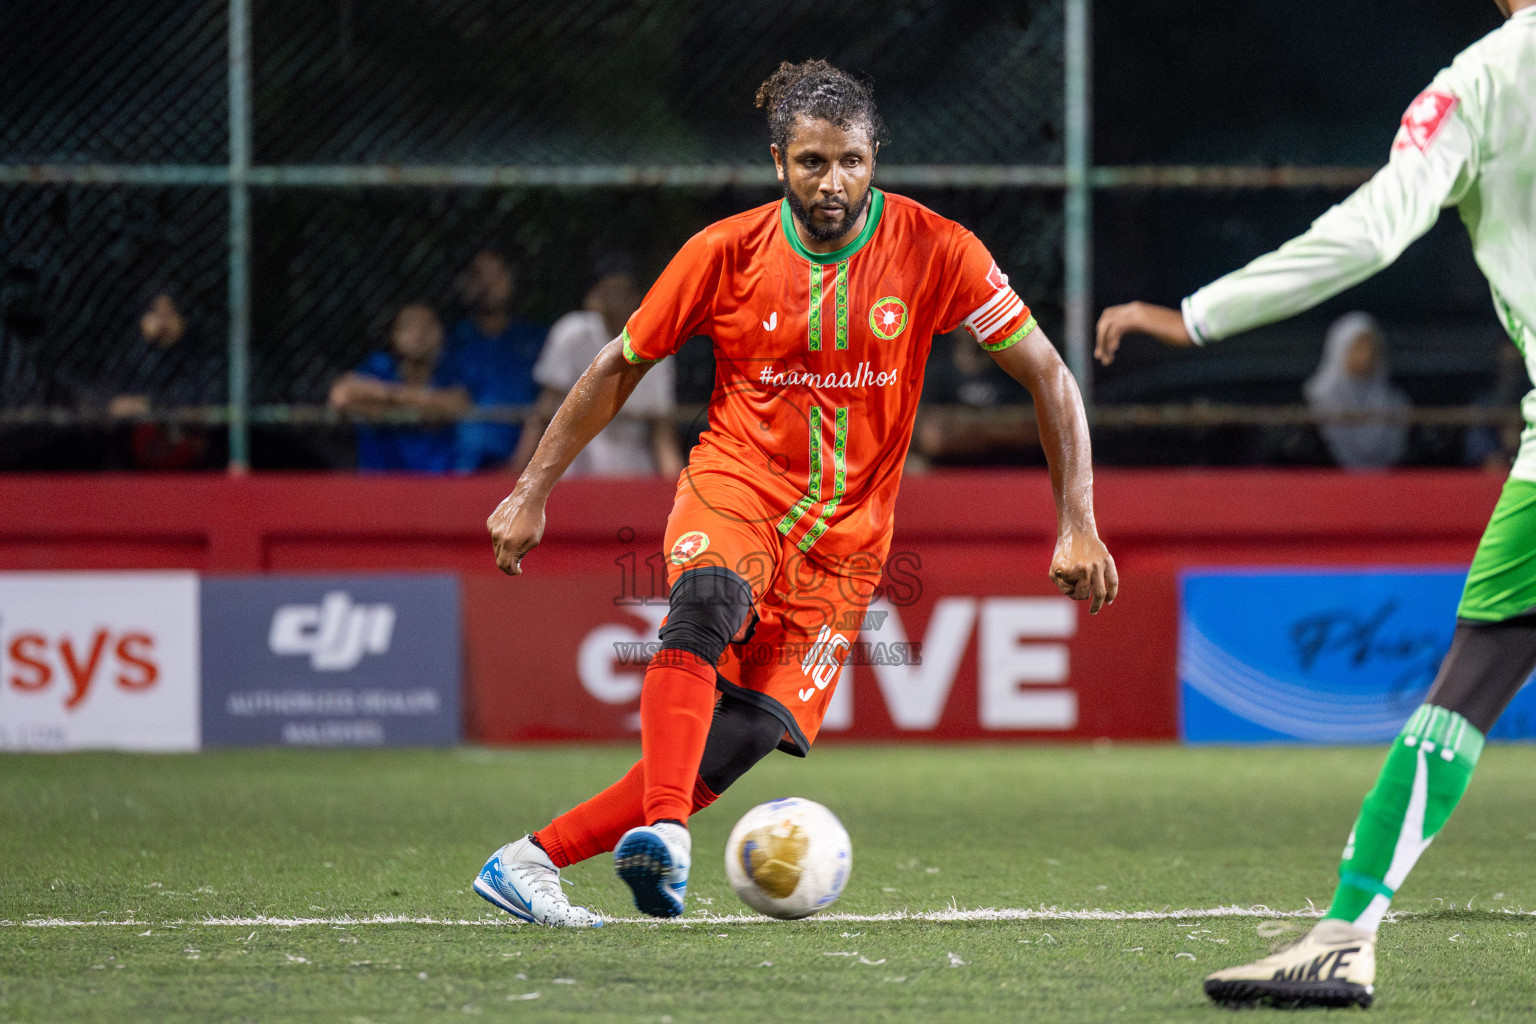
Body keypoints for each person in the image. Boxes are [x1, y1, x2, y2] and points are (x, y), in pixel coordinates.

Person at [474, 59, 1117, 929]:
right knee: (704, 607)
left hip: (848, 546)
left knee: (737, 740)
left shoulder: (938, 248)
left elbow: (1048, 375)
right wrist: (531, 491)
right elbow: (616, 368)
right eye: (812, 162)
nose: (833, 181)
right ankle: (666, 832)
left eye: (851, 160)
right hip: (737, 484)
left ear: (875, 155)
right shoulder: (722, 252)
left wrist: (1077, 521)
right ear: (780, 161)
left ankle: (528, 861)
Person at [1096, 0, 1536, 1008]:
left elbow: (1367, 235)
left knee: (1467, 689)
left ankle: (1344, 932)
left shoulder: (1478, 84)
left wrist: (1198, 316)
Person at [515, 255, 684, 478]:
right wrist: (515, 474)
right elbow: (543, 414)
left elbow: (662, 434)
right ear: (595, 296)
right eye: (608, 293)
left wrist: (676, 489)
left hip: (633, 465)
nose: (615, 302)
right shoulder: (572, 333)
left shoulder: (657, 344)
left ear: (637, 297)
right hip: (575, 463)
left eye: (622, 293)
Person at [329, 302, 470, 473]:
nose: (419, 334)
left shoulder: (451, 371)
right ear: (394, 335)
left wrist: (378, 404)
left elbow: (457, 405)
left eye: (427, 326)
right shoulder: (379, 367)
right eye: (409, 326)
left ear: (441, 333)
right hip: (380, 484)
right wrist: (407, 399)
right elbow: (341, 395)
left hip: (438, 485)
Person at [102, 288, 226, 470]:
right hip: (130, 472)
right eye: (155, 314)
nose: (162, 323)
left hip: (193, 472)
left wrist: (153, 406)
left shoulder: (201, 361)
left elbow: (209, 410)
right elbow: (113, 408)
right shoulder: (127, 361)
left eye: (169, 314)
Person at [446, 248, 545, 472]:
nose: (489, 283)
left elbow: (548, 402)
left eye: (497, 274)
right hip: (461, 465)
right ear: (466, 285)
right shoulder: (453, 341)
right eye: (479, 275)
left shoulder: (536, 339)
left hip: (525, 465)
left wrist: (520, 465)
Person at [1305, 312, 1409, 471]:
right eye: (1358, 347)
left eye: (1372, 348)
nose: (1367, 355)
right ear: (1339, 350)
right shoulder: (1314, 400)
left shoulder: (1395, 401)